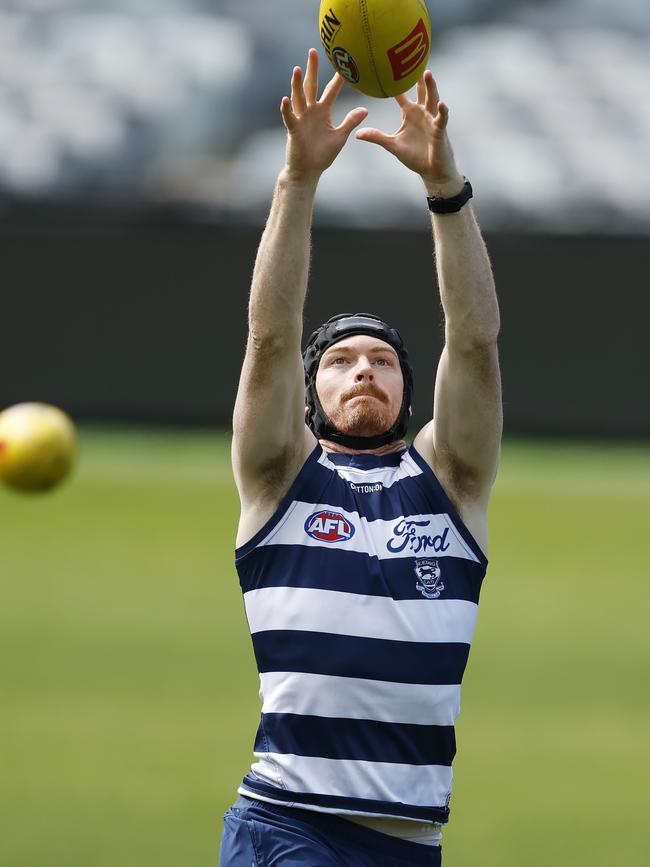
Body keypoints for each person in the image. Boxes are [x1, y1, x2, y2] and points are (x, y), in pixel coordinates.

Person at [220, 48, 502, 866]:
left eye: (381, 358)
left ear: (410, 394)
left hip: (412, 842)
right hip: (287, 822)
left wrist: (445, 191)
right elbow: (270, 338)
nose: (364, 369)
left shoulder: (449, 482)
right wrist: (297, 181)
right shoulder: (280, 476)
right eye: (341, 361)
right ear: (310, 399)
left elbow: (475, 342)